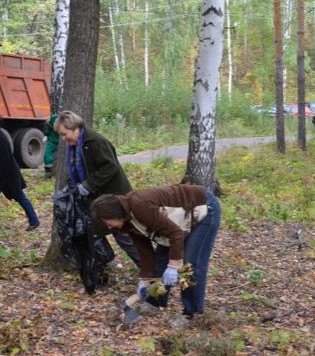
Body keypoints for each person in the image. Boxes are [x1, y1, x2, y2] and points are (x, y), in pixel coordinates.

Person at [90, 184, 221, 327]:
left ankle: (192, 313)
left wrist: (173, 265)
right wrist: (145, 279)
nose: (109, 227)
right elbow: (145, 252)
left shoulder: (139, 206)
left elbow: (175, 234)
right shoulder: (128, 223)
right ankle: (155, 301)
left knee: (189, 266)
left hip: (202, 209)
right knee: (160, 262)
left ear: (115, 213)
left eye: (109, 223)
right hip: (177, 224)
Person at [53, 110, 140, 264]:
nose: (63, 138)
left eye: (64, 134)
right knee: (91, 232)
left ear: (74, 128)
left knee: (123, 235)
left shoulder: (94, 141)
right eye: (61, 135)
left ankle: (149, 269)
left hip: (114, 196)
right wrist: (71, 187)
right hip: (96, 198)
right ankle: (102, 267)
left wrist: (88, 185)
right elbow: (76, 169)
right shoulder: (76, 146)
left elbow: (110, 166)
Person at [0, 113, 40, 231]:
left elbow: (6, 160)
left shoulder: (0, 138)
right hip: (1, 174)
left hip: (7, 175)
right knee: (18, 196)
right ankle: (34, 220)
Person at [43, 113, 59, 177]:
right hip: (52, 140)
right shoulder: (53, 118)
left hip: (61, 142)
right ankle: (48, 172)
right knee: (47, 155)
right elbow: (49, 127)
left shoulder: (65, 118)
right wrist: (46, 135)